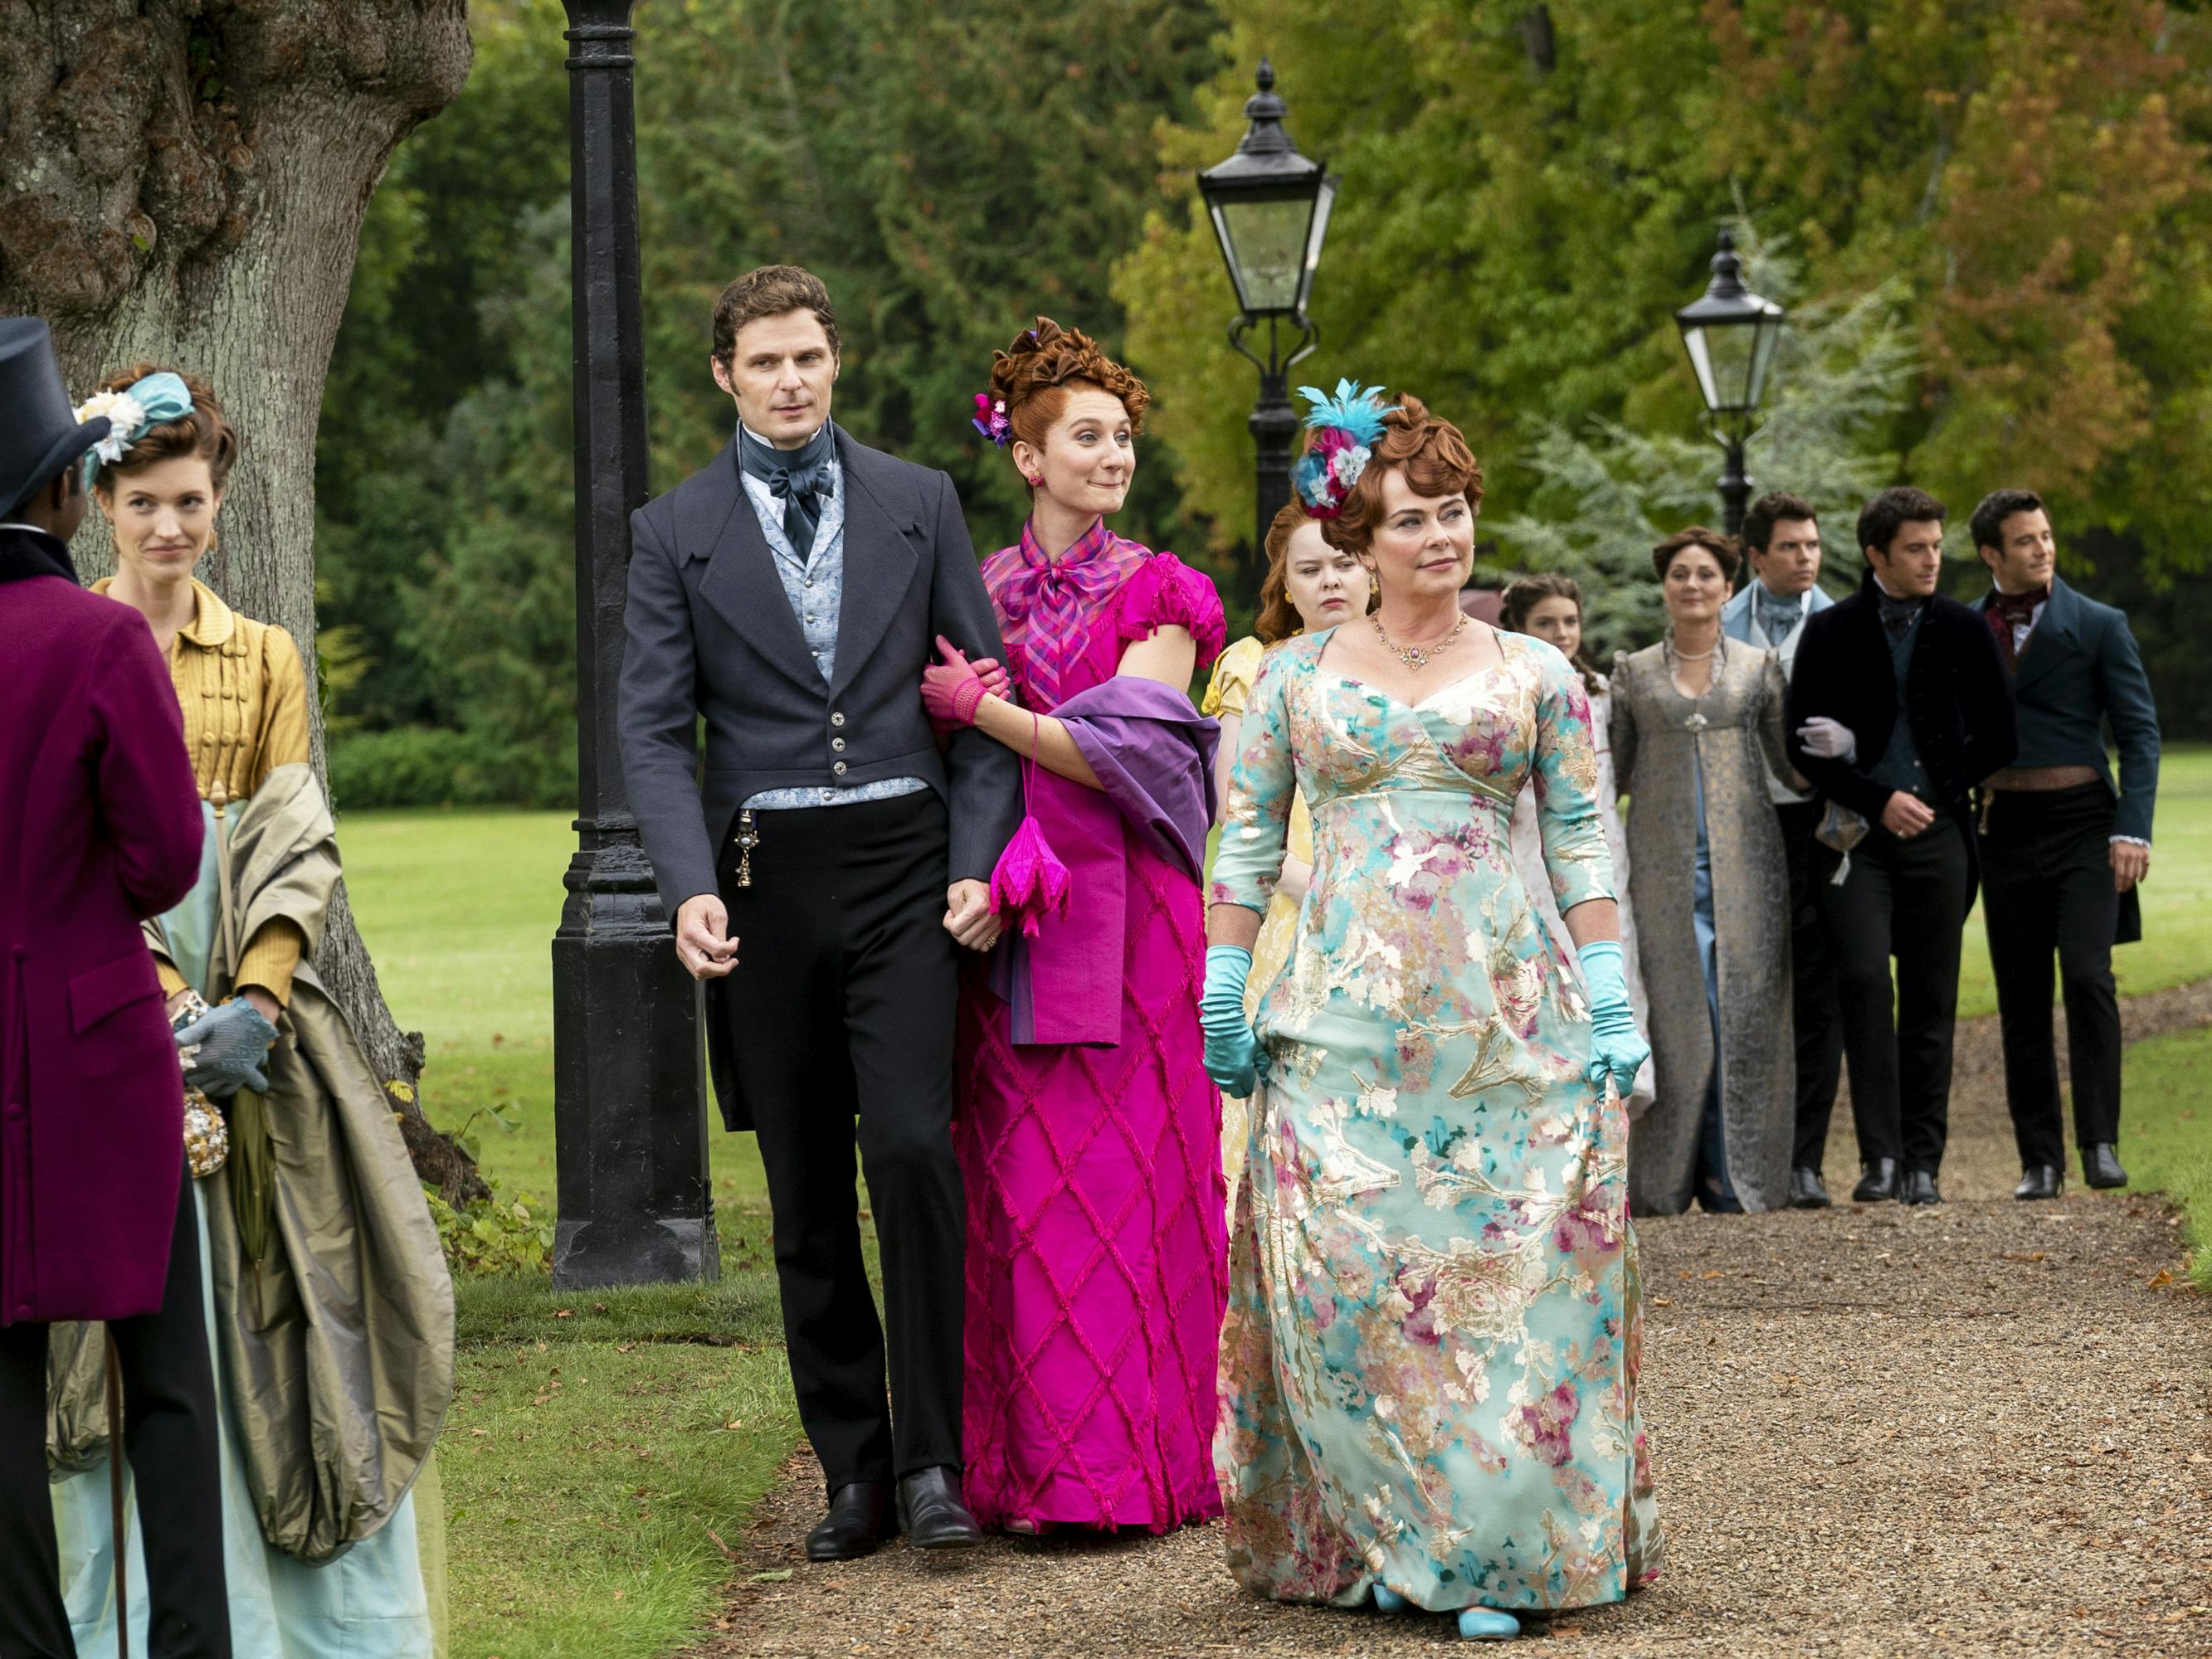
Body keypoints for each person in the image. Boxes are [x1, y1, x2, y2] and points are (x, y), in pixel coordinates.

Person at [1204, 386, 1660, 1644]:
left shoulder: (1537, 674)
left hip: (1502, 1021)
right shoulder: (1292, 678)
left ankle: (1489, 1551)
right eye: (1410, 519)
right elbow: (1244, 849)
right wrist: (1225, 980)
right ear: (1357, 542)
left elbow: (1577, 844)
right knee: (1347, 1288)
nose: (1439, 538)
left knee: (1506, 1290)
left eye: (1452, 512)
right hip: (1339, 1026)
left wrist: (1611, 992)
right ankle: (1371, 1531)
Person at [619, 266, 1023, 1560]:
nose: (790, 381)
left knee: (909, 1149)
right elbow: (647, 726)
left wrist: (977, 857)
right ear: (724, 376)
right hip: (762, 879)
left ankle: (934, 1467)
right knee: (800, 1183)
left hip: (908, 866)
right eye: (765, 362)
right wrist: (687, 886)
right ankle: (851, 1470)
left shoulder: (919, 500)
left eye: (809, 357)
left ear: (834, 361)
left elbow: (980, 695)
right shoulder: (671, 528)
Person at [50, 364, 452, 1657]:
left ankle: (303, 1624)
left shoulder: (265, 654)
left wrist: (257, 1001)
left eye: (192, 502)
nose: (171, 528)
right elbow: (77, 850)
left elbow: (293, 837)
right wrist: (164, 1008)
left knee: (301, 1293)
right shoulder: (77, 646)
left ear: (220, 504)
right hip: (116, 995)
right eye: (145, 503)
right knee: (142, 1310)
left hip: (256, 1007)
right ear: (102, 505)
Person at [933, 319, 1226, 1533]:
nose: (1113, 457)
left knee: (1130, 1182)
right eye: (1087, 437)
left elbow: (1125, 752)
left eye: (1122, 438)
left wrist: (979, 713)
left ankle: (1129, 1473)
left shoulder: (1160, 589)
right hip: (1001, 915)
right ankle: (1026, 1474)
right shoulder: (973, 588)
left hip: (1135, 923)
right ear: (1027, 457)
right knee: (1015, 1188)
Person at [0, 319, 229, 1659]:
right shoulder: (97, 644)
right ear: (64, 494)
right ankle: (189, 1645)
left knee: (5, 1398)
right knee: (166, 1384)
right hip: (99, 1047)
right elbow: (162, 860)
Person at [1787, 487, 2017, 1206]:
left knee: (1931, 997)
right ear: (1877, 553)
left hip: (1940, 838)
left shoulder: (1962, 627)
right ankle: (1880, 1160)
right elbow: (1804, 744)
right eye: (1915, 548)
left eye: (1936, 546)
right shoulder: (1829, 631)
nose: (1931, 559)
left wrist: (1944, 790)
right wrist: (1876, 796)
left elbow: (2002, 736)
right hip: (1855, 837)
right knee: (1861, 982)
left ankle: (1923, 1163)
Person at [1969, 489, 2160, 1199]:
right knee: (2021, 997)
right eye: (2025, 540)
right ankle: (2039, 1161)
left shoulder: (2101, 625)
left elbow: (2139, 734)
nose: (2042, 549)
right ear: (1992, 553)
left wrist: (2131, 827)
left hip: (2085, 825)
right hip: (2003, 828)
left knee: (2087, 976)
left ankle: (2100, 1145)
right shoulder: (1963, 626)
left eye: (2046, 536)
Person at [1610, 529, 1796, 1215]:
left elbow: (1790, 767)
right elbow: (1614, 775)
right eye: (1680, 574)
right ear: (1666, 586)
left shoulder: (1758, 665)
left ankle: (1734, 1174)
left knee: (1741, 1010)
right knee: (1676, 1019)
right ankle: (1664, 1179)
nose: (1693, 585)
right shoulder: (1631, 672)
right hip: (1659, 874)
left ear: (1727, 586)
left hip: (1747, 870)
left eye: (1706, 575)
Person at [1200, 501, 1372, 1216]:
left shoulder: (1413, 671)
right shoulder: (1253, 664)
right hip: (1281, 900)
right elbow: (1236, 804)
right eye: (1311, 568)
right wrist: (1310, 883)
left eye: (1344, 562)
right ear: (1285, 584)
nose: (1330, 579)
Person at [1720, 493, 1844, 1208]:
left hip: (1820, 822)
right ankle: (1744, 1158)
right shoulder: (1720, 625)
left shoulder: (1840, 622)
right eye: (1791, 547)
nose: (1806, 558)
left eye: (1813, 546)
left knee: (1819, 988)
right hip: (1742, 819)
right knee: (1748, 987)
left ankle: (1807, 1159)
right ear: (1757, 557)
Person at [1501, 572, 1655, 1118]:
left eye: (1570, 621)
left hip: (1601, 855)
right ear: (1518, 626)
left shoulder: (1603, 693)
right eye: (1546, 622)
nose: (1562, 632)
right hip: (1529, 855)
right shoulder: (1504, 692)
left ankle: (1616, 1139)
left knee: (1610, 978)